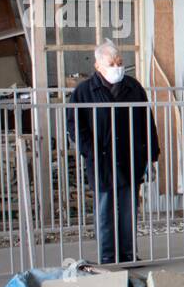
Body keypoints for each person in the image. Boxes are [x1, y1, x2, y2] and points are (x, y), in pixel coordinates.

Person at [67, 42, 159, 264]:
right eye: (111, 64)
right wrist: (90, 151)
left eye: (120, 63)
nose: (117, 67)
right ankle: (108, 255)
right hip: (102, 159)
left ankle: (128, 253)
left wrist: (150, 153)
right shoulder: (84, 91)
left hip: (130, 157)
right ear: (98, 65)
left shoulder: (133, 87)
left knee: (128, 209)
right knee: (105, 209)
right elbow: (75, 126)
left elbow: (147, 120)